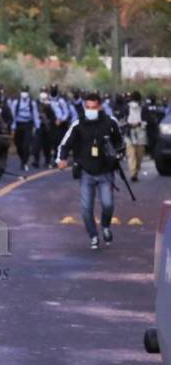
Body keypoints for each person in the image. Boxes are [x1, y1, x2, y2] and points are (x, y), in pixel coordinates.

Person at [56, 92, 124, 250]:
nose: (90, 110)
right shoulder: (78, 124)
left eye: (93, 107)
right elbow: (64, 144)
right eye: (87, 107)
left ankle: (105, 226)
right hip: (86, 172)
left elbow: (120, 141)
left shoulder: (110, 122)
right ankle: (93, 236)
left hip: (106, 171)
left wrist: (118, 153)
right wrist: (61, 159)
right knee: (87, 208)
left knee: (108, 205)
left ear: (100, 106)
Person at [10, 86, 40, 171]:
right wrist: (13, 128)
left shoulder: (32, 103)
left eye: (26, 91)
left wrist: (37, 127)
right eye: (23, 91)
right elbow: (13, 116)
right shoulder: (16, 102)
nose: (24, 93)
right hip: (18, 124)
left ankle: (24, 162)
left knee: (26, 145)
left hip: (28, 124)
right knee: (18, 144)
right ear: (20, 92)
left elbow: (35, 114)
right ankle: (22, 158)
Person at [124, 92, 148, 181]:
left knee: (139, 155)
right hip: (129, 134)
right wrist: (128, 125)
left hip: (141, 134)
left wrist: (140, 124)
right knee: (131, 154)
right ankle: (133, 173)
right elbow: (123, 120)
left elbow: (147, 121)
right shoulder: (126, 108)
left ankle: (136, 170)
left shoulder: (144, 109)